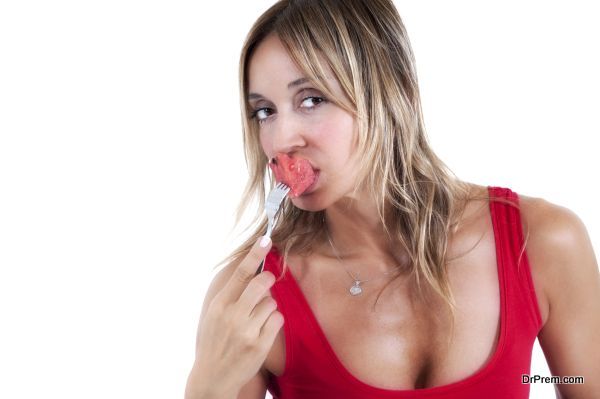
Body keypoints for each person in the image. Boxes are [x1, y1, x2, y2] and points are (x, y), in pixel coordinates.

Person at [185, 1, 600, 398]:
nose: (279, 141)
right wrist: (208, 389)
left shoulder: (541, 241)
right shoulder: (255, 299)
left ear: (392, 90)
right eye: (264, 111)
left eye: (311, 100)